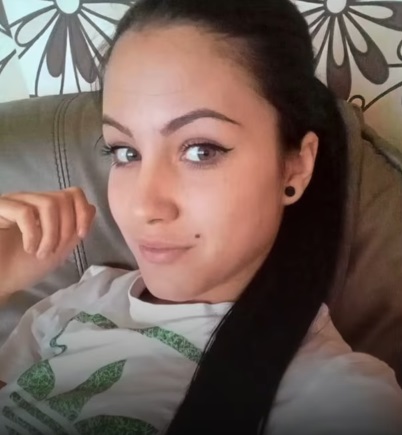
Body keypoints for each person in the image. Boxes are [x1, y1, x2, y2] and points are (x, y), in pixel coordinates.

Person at [0, 0, 401, 433]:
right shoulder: (83, 298)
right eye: (125, 152)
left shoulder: (338, 397)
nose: (143, 207)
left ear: (295, 167)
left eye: (201, 151)